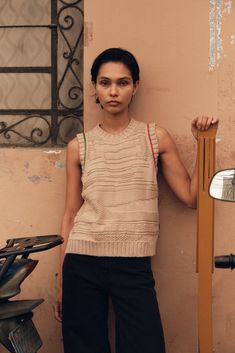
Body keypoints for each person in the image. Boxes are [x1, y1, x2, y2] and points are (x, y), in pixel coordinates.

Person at [54, 47, 218, 353]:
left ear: (135, 86)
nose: (113, 91)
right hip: (81, 262)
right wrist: (62, 282)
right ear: (94, 87)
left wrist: (203, 144)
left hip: (133, 267)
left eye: (122, 82)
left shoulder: (154, 137)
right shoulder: (80, 146)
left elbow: (192, 197)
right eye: (105, 83)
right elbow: (70, 215)